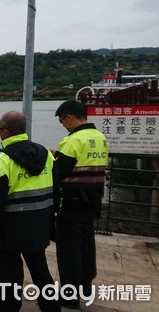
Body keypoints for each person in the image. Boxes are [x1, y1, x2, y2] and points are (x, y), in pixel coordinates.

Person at [0, 111, 60, 312]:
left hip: (10, 230)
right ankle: (51, 308)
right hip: (39, 225)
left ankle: (9, 309)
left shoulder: (1, 162)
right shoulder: (46, 155)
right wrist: (53, 220)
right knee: (40, 269)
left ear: (5, 132)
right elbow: (57, 190)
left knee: (9, 275)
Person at [53, 100, 109, 310]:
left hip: (72, 200)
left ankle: (69, 296)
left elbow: (58, 173)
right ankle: (85, 285)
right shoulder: (100, 138)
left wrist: (53, 160)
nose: (63, 126)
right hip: (93, 199)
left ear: (69, 116)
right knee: (87, 243)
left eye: (62, 121)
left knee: (69, 248)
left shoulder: (73, 140)